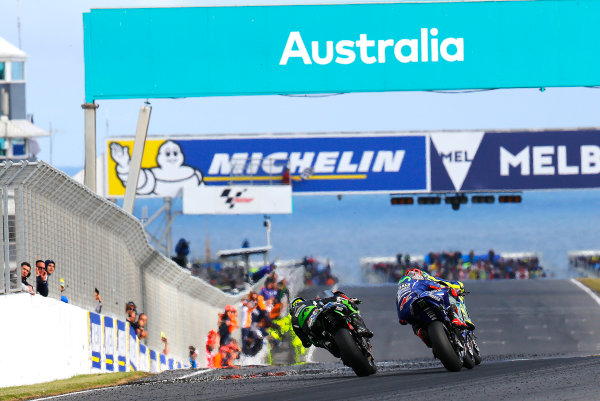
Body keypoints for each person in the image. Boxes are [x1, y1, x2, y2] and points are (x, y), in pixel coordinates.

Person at [395, 268, 475, 347]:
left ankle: (421, 332)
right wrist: (457, 289)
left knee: (415, 322)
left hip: (405, 313)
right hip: (421, 299)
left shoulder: (399, 292)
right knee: (448, 292)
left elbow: (402, 321)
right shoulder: (420, 282)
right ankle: (454, 317)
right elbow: (442, 287)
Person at [289, 290, 373, 351]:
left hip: (315, 327)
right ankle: (359, 327)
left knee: (314, 339)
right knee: (348, 305)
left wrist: (317, 342)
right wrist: (349, 300)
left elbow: (306, 343)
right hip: (322, 313)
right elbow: (331, 298)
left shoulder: (293, 320)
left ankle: (327, 344)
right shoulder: (312, 302)